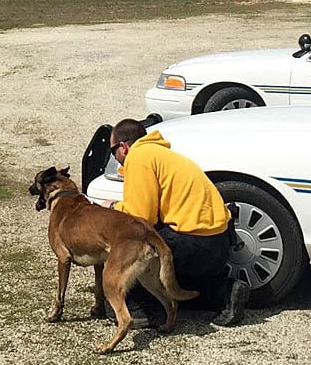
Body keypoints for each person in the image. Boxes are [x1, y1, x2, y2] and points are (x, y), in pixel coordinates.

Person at [102, 118, 250, 327]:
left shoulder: (139, 157)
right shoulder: (163, 155)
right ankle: (226, 293)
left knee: (129, 245)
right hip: (219, 242)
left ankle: (144, 309)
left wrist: (112, 208)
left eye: (112, 152)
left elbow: (141, 217)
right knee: (181, 288)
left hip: (191, 242)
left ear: (123, 147)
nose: (115, 159)